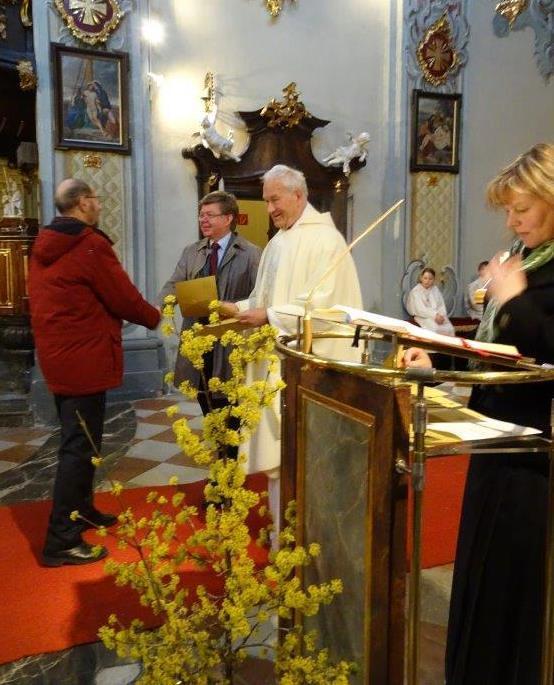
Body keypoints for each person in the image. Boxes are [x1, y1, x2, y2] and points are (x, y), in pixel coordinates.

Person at [405, 142, 554, 684]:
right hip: (495, 440)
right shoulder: (524, 260)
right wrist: (437, 359)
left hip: (535, 456)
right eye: (509, 210)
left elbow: (544, 345)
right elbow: (494, 348)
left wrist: (512, 299)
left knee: (517, 584)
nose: (512, 221)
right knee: (484, 570)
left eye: (522, 209)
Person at [29, 179, 160, 567]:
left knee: (82, 440)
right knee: (78, 448)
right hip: (84, 359)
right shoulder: (88, 244)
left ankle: (81, 510)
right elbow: (122, 296)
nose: (100, 206)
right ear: (83, 202)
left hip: (61, 357)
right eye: (96, 199)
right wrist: (155, 317)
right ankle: (60, 540)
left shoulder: (46, 243)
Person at [220, 164, 363, 493]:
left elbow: (327, 310)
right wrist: (238, 308)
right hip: (277, 361)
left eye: (274, 200)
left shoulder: (326, 241)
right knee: (282, 460)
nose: (269, 209)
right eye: (266, 201)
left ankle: (304, 524)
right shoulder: (278, 242)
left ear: (298, 195)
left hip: (307, 369)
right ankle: (280, 523)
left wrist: (269, 316)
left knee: (305, 457)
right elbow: (266, 297)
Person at [159, 190, 261, 415]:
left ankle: (229, 438)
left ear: (228, 218)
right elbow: (174, 283)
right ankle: (214, 435)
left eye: (210, 215)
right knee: (204, 395)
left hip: (230, 339)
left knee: (230, 404)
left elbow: (259, 296)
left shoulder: (250, 253)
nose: (203, 220)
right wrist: (160, 305)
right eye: (201, 215)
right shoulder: (191, 252)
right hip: (198, 335)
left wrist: (230, 307)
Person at [406, 267, 455, 336]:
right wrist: (435, 315)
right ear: (421, 278)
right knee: (436, 329)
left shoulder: (435, 289)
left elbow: (441, 305)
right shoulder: (416, 291)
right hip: (423, 317)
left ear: (433, 280)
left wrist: (441, 315)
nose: (427, 281)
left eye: (430, 279)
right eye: (425, 278)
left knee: (450, 328)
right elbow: (420, 309)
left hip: (438, 316)